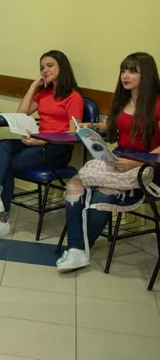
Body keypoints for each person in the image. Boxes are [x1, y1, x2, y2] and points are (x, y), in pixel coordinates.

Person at [57, 52, 160, 272]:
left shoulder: (158, 104)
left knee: (100, 194)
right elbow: (113, 127)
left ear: (147, 75)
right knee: (75, 185)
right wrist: (91, 127)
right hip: (119, 156)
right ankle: (77, 249)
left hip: (148, 164)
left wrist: (137, 163)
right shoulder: (123, 100)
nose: (126, 75)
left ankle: (80, 249)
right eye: (123, 70)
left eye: (133, 71)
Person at [0, 50, 83, 239]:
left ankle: (2, 219)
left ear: (62, 67)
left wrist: (41, 140)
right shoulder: (45, 94)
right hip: (38, 143)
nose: (45, 70)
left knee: (7, 165)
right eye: (41, 68)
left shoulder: (73, 97)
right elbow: (22, 114)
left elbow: (72, 134)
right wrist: (34, 85)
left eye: (49, 65)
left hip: (58, 149)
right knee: (3, 145)